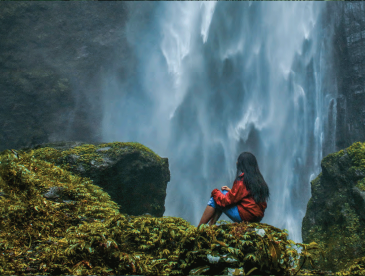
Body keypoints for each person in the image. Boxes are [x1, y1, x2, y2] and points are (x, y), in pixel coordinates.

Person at [197, 152, 269, 228]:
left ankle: (199, 228)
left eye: (238, 160)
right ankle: (210, 226)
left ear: (243, 164)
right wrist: (230, 190)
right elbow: (248, 198)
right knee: (223, 194)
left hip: (245, 216)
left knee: (216, 199)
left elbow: (226, 201)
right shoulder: (258, 179)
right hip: (255, 217)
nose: (236, 162)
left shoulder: (243, 180)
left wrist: (215, 192)